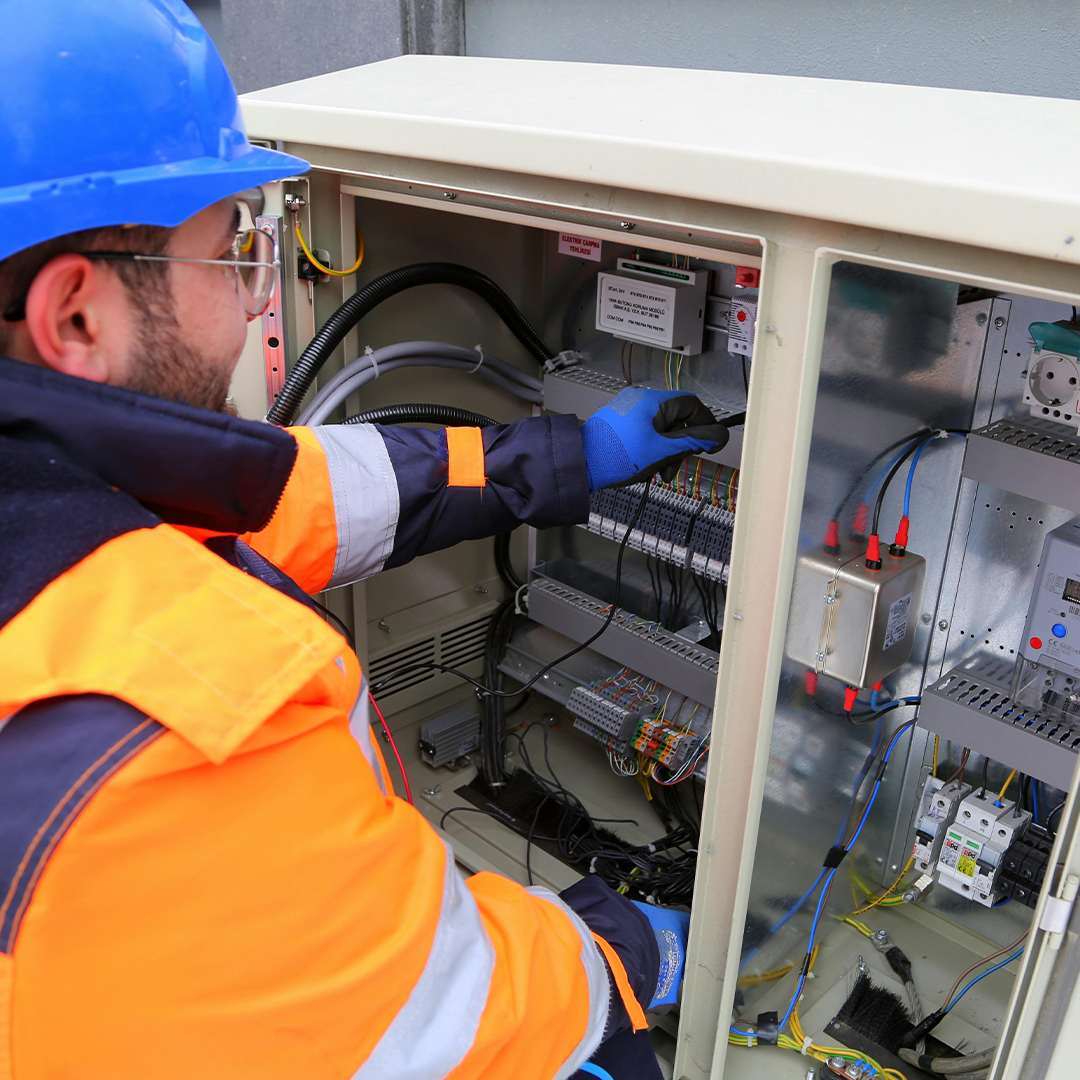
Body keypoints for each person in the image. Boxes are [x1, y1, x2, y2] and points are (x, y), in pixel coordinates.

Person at [0, 2, 729, 1077]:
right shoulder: (189, 716)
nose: (258, 303)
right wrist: (629, 951)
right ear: (77, 318)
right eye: (233, 256)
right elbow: (446, 1019)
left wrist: (573, 458)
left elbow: (306, 490)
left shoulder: (68, 497)